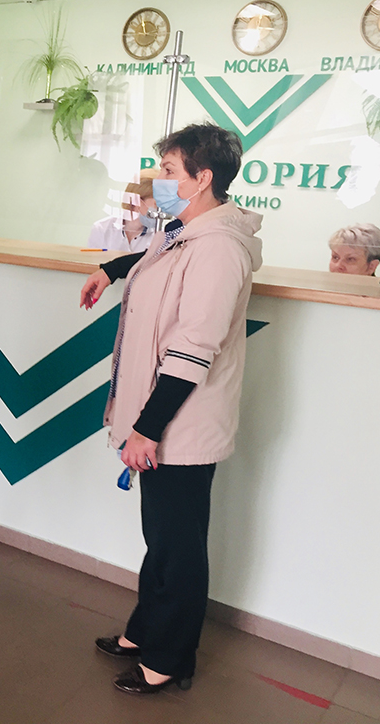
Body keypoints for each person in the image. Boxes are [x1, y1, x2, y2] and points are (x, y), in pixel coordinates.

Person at [80, 123, 262, 694]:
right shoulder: (185, 231)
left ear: (202, 178)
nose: (158, 180)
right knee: (160, 536)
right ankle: (145, 632)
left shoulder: (219, 249)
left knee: (178, 545)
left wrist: (146, 429)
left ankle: (171, 658)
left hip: (181, 423)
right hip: (162, 419)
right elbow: (152, 258)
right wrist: (110, 270)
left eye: (168, 171)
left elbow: (192, 350)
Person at [87, 168, 158, 253]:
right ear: (136, 201)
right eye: (157, 204)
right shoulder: (102, 229)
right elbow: (92, 260)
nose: (161, 210)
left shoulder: (159, 237)